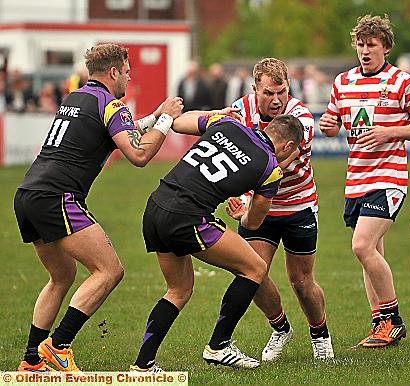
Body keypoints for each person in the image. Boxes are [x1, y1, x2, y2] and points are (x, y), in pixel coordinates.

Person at [13, 43, 183, 373]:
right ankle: (59, 345)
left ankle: (32, 360)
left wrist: (156, 114)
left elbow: (122, 132)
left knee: (61, 277)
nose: (129, 78)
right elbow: (138, 155)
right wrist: (165, 122)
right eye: (127, 72)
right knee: (109, 270)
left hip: (28, 193)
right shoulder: (112, 104)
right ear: (114, 72)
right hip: (57, 196)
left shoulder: (77, 97)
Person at [130, 112, 304, 371]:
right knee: (255, 268)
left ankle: (143, 365)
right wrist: (241, 215)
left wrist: (215, 113)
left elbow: (178, 123)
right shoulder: (270, 168)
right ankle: (219, 345)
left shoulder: (227, 123)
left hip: (156, 206)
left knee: (178, 290)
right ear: (288, 146)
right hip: (186, 217)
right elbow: (253, 224)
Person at [319, 14, 410, 349]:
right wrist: (329, 125)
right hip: (356, 179)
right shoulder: (343, 83)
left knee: (361, 246)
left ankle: (393, 320)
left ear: (386, 46)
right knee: (371, 252)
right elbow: (333, 123)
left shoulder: (404, 82)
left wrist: (391, 131)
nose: (365, 50)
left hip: (389, 177)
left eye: (371, 44)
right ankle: (380, 326)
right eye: (360, 44)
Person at [229, 57, 334, 362]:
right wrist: (239, 198)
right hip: (260, 207)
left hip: (297, 204)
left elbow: (277, 164)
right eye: (268, 94)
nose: (276, 101)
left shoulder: (300, 118)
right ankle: (280, 328)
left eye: (282, 92)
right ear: (254, 90)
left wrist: (247, 198)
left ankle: (320, 334)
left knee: (301, 281)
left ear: (289, 88)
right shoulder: (239, 112)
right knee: (250, 272)